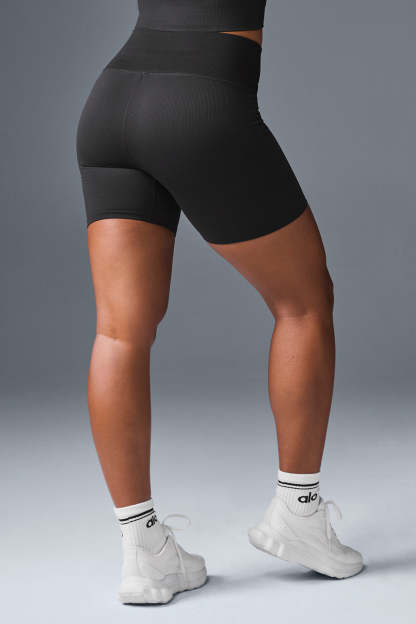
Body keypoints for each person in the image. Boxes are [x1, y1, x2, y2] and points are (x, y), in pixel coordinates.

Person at [76, 0, 363, 605]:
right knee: (304, 302)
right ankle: (299, 512)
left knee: (119, 332)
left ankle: (143, 551)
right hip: (198, 97)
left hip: (111, 99)